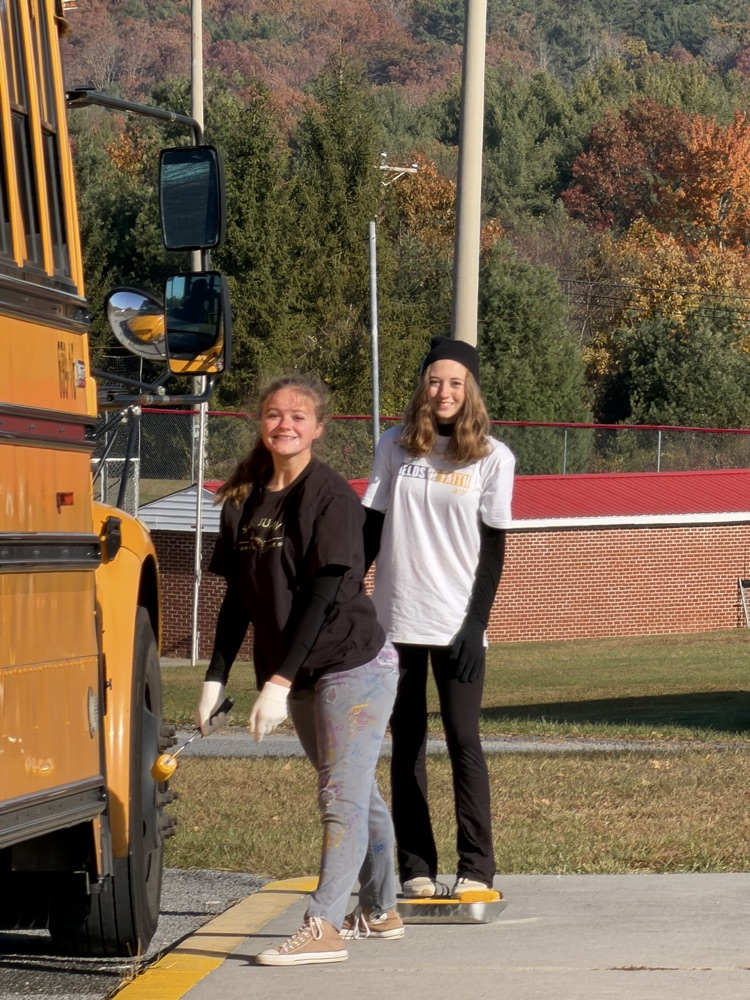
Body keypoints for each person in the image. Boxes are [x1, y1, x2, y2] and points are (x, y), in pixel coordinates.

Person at [195, 374, 403, 966]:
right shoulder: (243, 498)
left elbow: (322, 596)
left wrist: (279, 683)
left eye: (297, 416)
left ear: (318, 427)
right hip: (297, 671)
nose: (284, 424)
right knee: (355, 790)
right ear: (260, 423)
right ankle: (383, 907)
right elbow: (239, 596)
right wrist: (216, 676)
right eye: (273, 414)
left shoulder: (331, 497)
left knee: (339, 795)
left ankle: (324, 926)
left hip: (351, 664)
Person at [362, 336, 515, 899]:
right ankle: (416, 868)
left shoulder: (494, 457)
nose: (443, 391)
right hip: (396, 620)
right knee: (406, 743)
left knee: (463, 740)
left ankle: (476, 869)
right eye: (434, 380)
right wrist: (347, 590)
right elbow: (370, 530)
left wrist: (477, 623)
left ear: (469, 390)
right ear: (423, 386)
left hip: (456, 624)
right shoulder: (395, 447)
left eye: (455, 383)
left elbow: (494, 549)